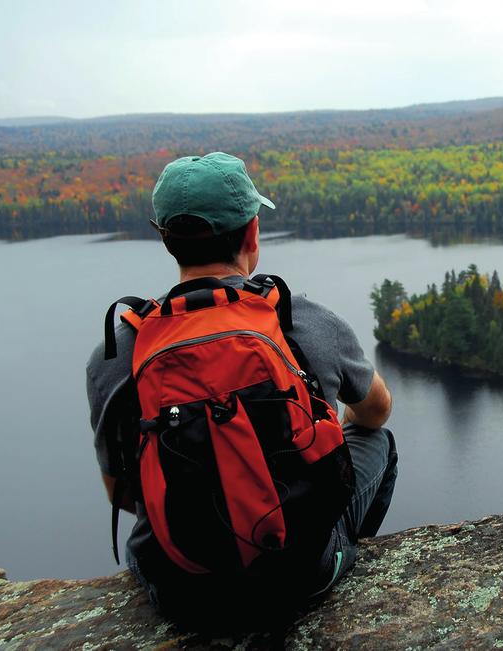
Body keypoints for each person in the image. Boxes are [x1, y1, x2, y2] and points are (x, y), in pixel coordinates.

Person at [86, 152, 397, 626]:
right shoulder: (303, 321)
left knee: (150, 534)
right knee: (379, 444)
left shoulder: (117, 351)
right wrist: (331, 423)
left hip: (179, 593)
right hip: (296, 578)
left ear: (166, 239)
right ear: (252, 233)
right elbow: (377, 413)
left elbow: (122, 491)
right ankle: (330, 559)